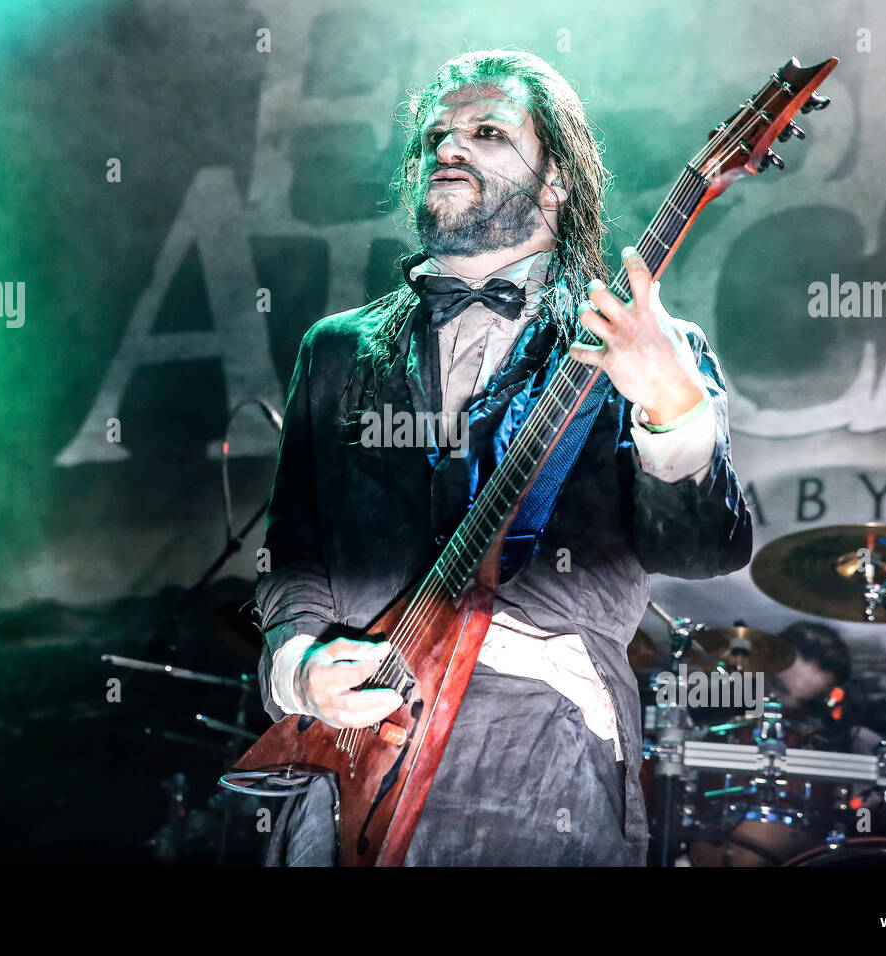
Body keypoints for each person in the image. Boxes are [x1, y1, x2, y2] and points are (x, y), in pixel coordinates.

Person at [254, 49, 751, 866]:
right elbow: (294, 548)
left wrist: (670, 402)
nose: (447, 148)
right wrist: (297, 660)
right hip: (345, 755)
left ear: (556, 181)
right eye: (434, 137)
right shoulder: (336, 349)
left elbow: (701, 551)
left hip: (538, 750)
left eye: (487, 132)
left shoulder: (650, 346)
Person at [771, 622, 886, 838]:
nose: (789, 718)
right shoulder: (727, 733)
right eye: (779, 693)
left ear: (834, 697)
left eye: (810, 706)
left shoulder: (860, 744)